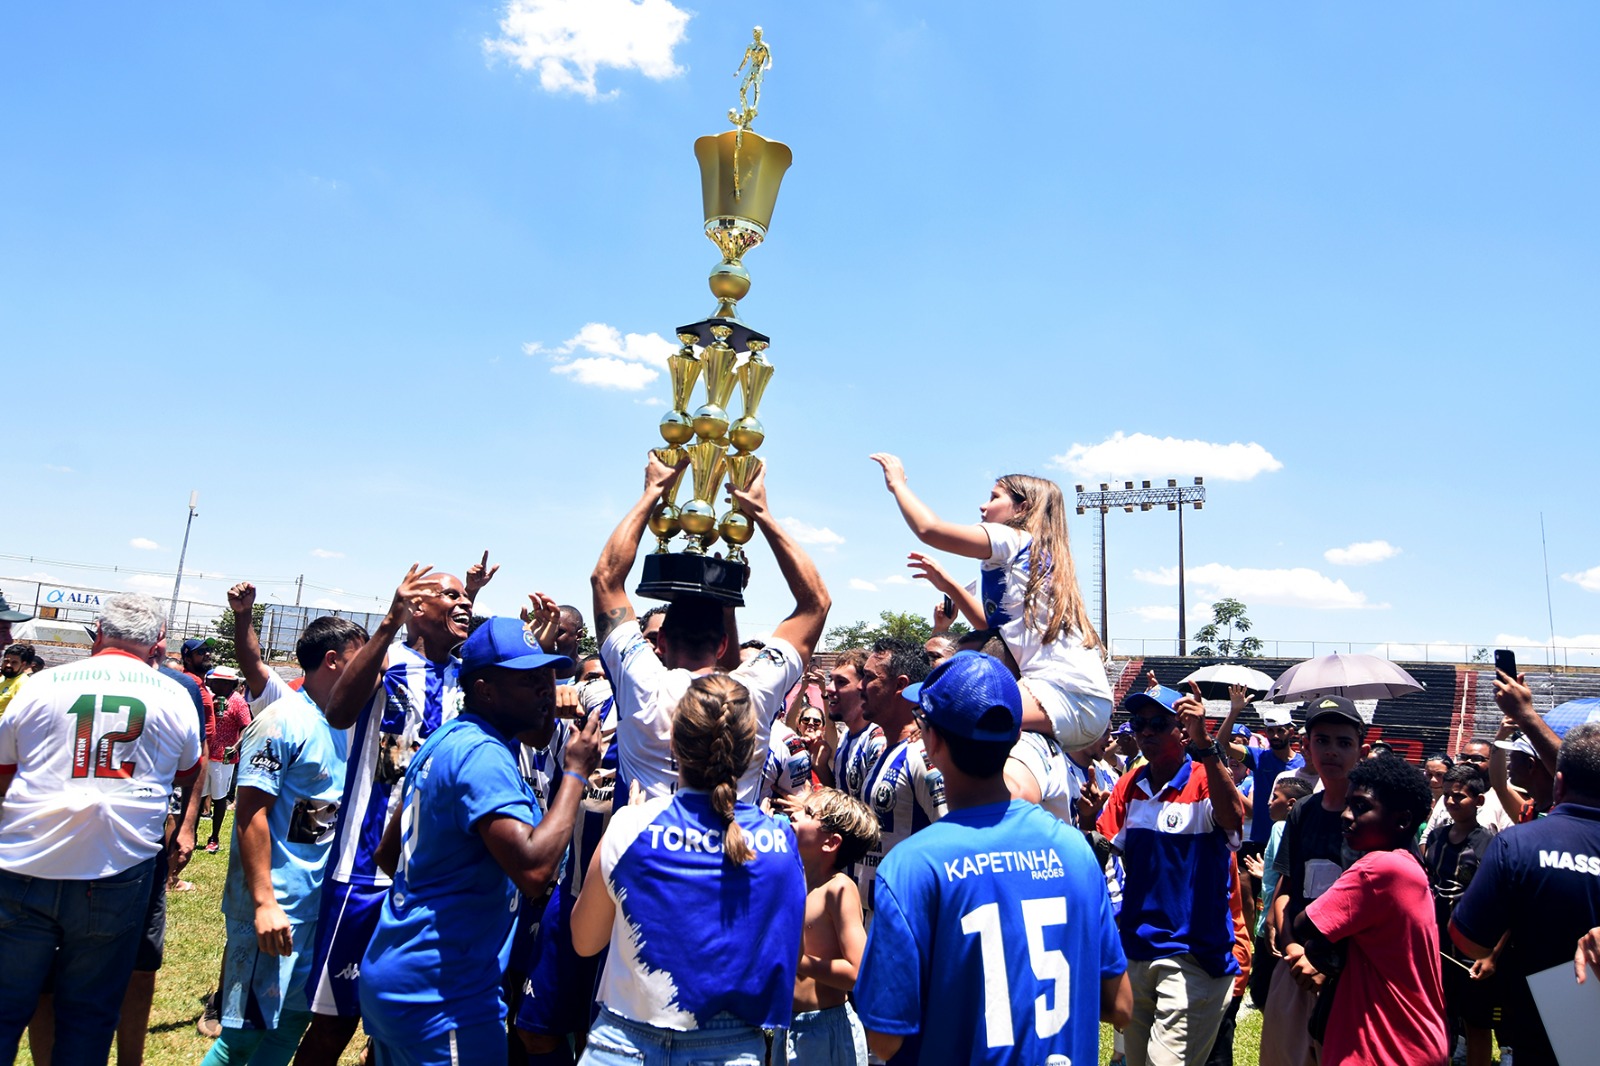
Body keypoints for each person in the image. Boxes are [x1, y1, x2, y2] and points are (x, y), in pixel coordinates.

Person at [856, 651, 1131, 1064]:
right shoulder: (1075, 850)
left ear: (932, 741)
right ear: (1015, 737)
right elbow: (1120, 1006)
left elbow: (883, 1038)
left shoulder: (913, 866)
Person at [359, 617, 603, 1065]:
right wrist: (574, 773)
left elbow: (388, 854)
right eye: (530, 681)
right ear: (487, 689)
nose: (546, 690)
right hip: (446, 994)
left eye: (547, 677)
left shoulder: (449, 738)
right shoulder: (484, 756)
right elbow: (533, 870)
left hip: (399, 971)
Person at [0, 593, 203, 1065]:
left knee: (5, 1007)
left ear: (97, 631)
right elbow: (187, 770)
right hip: (116, 867)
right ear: (157, 641)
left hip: (26, 860)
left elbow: (4, 769)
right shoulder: (173, 693)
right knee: (88, 1016)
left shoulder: (39, 684)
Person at [569, 673, 807, 1065]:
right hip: (730, 1047)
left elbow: (585, 940)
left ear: (674, 743)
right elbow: (787, 957)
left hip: (622, 1044)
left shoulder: (631, 826)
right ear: (752, 750)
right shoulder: (781, 841)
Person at [590, 452, 829, 803]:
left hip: (644, 851)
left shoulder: (641, 683)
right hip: (737, 850)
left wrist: (653, 492)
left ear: (663, 641)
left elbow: (605, 579)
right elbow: (816, 603)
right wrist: (761, 513)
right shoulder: (754, 691)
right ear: (722, 645)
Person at [200, 617, 369, 1066]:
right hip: (277, 906)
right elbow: (251, 812)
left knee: (290, 1025)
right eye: (360, 659)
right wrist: (264, 903)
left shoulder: (345, 723)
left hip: (318, 907)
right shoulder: (281, 720)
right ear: (332, 661)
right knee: (241, 1037)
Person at [869, 454, 1112, 751]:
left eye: (994, 497)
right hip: (1083, 700)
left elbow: (929, 530)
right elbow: (988, 627)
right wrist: (949, 585)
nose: (983, 506)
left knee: (949, 707)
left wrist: (897, 485)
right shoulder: (1030, 557)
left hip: (1065, 694)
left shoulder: (1013, 537)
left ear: (1022, 508)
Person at [1096, 683, 1246, 1066]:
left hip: (1193, 956)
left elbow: (1233, 818)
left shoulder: (1203, 778)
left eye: (1158, 723)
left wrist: (1207, 745)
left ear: (1182, 729)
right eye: (1138, 723)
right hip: (1137, 952)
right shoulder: (1131, 784)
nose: (1145, 731)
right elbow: (1102, 846)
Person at [1451, 721, 1600, 1066]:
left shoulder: (1520, 842)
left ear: (1559, 781)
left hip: (1546, 1016)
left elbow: (1468, 939)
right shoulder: (1526, 822)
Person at [1287, 756, 1448, 1066]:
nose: (1346, 815)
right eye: (1348, 804)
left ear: (1402, 820)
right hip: (1413, 1041)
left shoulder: (1378, 868)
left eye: (1361, 807)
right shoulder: (1409, 865)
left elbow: (1305, 923)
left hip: (1383, 1046)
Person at [1259, 696, 1366, 1066]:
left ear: (1361, 750)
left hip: (1353, 974)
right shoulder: (1303, 810)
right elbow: (1286, 887)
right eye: (1321, 740)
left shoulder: (1372, 816)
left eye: (1343, 742)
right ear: (1306, 746)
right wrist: (1291, 947)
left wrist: (1328, 962)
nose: (1331, 751)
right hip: (1297, 967)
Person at [787, 787, 878, 1066]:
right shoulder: (794, 879)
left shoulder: (839, 888)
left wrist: (798, 962)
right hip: (789, 1026)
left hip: (824, 1028)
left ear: (830, 842)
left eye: (807, 813)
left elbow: (857, 971)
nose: (794, 815)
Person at [855, 637, 942, 912]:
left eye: (869, 677)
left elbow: (952, 834)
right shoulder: (884, 752)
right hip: (876, 919)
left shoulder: (920, 754)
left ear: (901, 685)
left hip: (909, 919)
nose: (860, 686)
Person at [1423, 763, 1500, 1066]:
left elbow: (1499, 901)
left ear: (1479, 801)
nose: (1452, 802)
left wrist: (1492, 954)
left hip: (1469, 948)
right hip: (1436, 943)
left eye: (1460, 797)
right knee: (1438, 1014)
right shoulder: (1437, 838)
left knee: (1475, 1022)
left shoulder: (1490, 844)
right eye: (1448, 796)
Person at [1242, 776, 1313, 1008]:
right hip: (1282, 916)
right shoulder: (1303, 830)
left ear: (1291, 804)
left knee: (1263, 986)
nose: (1269, 803)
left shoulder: (1281, 827)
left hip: (1272, 918)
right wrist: (1265, 873)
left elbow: (1286, 871)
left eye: (1275, 798)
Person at [1225, 703, 1305, 852]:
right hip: (1261, 841)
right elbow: (1222, 744)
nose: (1275, 736)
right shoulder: (1258, 757)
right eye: (1270, 730)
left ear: (1291, 732)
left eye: (1280, 730)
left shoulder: (1303, 763)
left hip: (1293, 841)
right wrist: (1234, 711)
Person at [204, 664, 254, 853]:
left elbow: (246, 727)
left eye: (215, 681)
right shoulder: (210, 698)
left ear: (226, 683)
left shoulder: (238, 702)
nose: (211, 683)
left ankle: (214, 837)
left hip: (223, 757)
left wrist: (236, 747)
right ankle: (192, 834)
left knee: (219, 797)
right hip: (205, 754)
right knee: (200, 795)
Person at [827, 647, 884, 806]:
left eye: (841, 682)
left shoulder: (877, 742)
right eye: (831, 680)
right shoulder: (846, 735)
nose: (830, 688)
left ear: (863, 687)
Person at [0, 642, 31, 715]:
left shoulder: (23, 683)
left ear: (23, 664)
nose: (8, 665)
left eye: (14, 662)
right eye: (6, 661)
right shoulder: (3, 678)